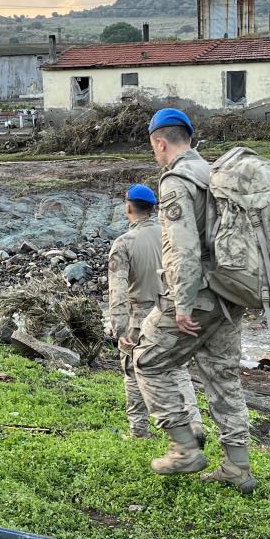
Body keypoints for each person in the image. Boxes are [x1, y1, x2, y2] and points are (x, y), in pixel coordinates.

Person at [132, 107, 256, 494]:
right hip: (230, 292)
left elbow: (182, 250)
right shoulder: (215, 173)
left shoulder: (176, 181)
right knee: (222, 375)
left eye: (154, 146)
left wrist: (182, 304)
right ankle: (238, 466)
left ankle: (184, 447)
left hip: (198, 295)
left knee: (148, 361)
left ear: (159, 142)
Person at [107, 184, 162, 438]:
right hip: (172, 312)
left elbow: (117, 291)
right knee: (174, 370)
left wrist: (119, 329)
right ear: (153, 208)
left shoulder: (124, 243)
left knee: (133, 371)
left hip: (139, 317)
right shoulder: (170, 235)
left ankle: (139, 430)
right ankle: (187, 429)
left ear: (128, 207)